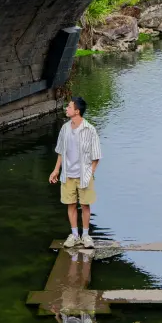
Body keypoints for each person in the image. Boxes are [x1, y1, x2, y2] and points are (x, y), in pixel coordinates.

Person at [49, 96, 102, 249]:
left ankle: (85, 236)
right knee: (70, 204)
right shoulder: (65, 129)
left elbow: (96, 156)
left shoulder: (89, 130)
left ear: (77, 111)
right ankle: (74, 235)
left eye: (69, 107)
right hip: (67, 175)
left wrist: (89, 173)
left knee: (85, 205)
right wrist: (56, 170)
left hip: (84, 175)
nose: (66, 108)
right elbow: (60, 152)